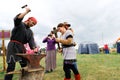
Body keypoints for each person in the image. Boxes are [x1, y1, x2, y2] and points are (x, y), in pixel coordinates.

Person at [4, 7, 38, 80]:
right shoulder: (19, 24)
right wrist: (26, 12)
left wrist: (34, 48)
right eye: (33, 22)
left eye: (34, 24)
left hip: (21, 48)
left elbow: (31, 41)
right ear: (29, 20)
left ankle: (25, 78)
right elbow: (17, 18)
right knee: (11, 66)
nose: (33, 24)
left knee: (25, 65)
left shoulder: (30, 32)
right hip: (12, 46)